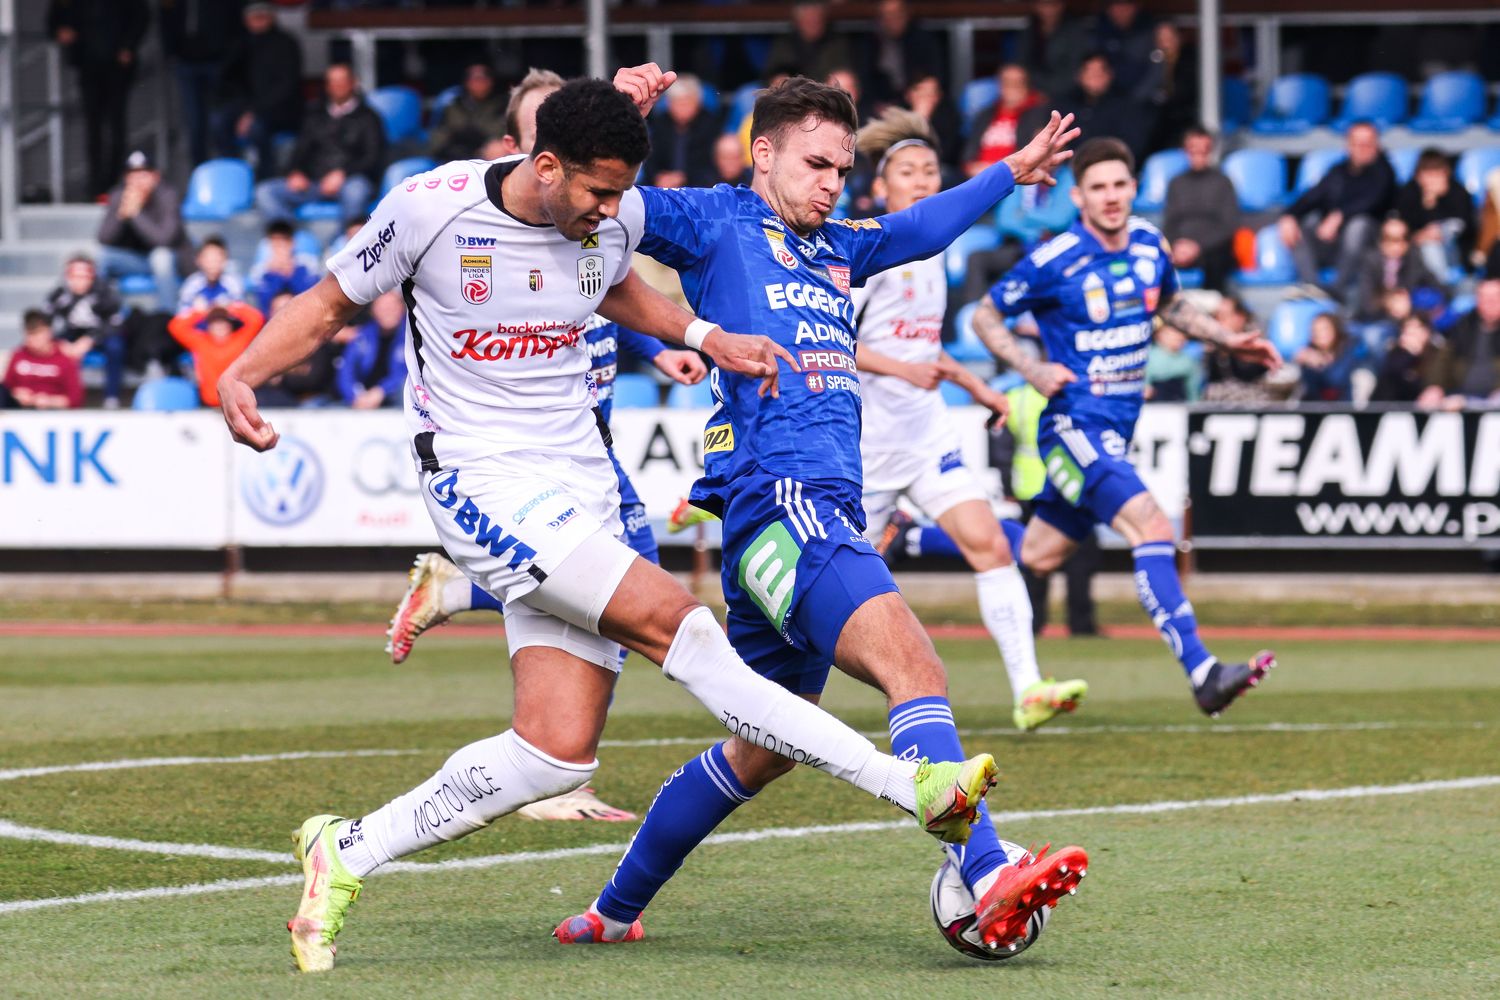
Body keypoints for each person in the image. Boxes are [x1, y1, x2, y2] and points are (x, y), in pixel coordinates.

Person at [215, 77, 1000, 973]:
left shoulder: (609, 216)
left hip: (583, 481)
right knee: (687, 630)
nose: (610, 211)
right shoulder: (430, 208)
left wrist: (704, 336)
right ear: (542, 167)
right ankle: (914, 787)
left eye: (623, 193)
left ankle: (343, 849)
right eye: (593, 192)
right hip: (482, 477)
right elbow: (328, 305)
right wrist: (242, 372)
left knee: (555, 752)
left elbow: (622, 289)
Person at [554, 72, 1087, 953]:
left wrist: (1009, 173)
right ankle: (987, 870)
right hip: (783, 502)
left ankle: (611, 910)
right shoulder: (717, 218)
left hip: (791, 517)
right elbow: (603, 201)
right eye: (815, 164)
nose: (832, 182)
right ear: (762, 155)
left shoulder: (838, 243)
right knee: (914, 667)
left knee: (758, 751)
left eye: (841, 167)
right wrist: (619, 112)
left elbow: (918, 229)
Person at [971, 137, 1281, 717]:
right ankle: (1203, 672)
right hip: (1073, 426)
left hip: (1115, 427)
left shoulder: (1147, 243)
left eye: (1120, 185)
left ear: (1134, 187)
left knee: (1036, 554)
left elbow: (1171, 305)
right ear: (1079, 196)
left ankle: (921, 529)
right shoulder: (1054, 259)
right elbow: (985, 313)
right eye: (1098, 188)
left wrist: (1227, 336)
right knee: (1150, 522)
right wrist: (1032, 367)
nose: (1111, 197)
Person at [851, 107, 1088, 731]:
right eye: (908, 171)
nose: (924, 180)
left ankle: (1029, 687)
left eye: (931, 169)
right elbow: (831, 341)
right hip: (868, 444)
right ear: (882, 186)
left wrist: (978, 387)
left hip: (926, 432)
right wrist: (901, 372)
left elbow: (923, 346)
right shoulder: (866, 246)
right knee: (839, 583)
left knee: (989, 545)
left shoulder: (934, 256)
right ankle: (782, 700)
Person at [1278, 121, 1397, 301]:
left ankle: (1337, 289)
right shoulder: (1338, 172)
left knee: (1358, 225)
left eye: (1368, 144)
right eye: (1357, 143)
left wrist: (1340, 216)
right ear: (1348, 145)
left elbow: (1372, 201)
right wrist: (1289, 216)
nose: (1362, 149)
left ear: (1377, 145)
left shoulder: (1384, 172)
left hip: (1368, 248)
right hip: (1334, 243)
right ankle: (1312, 287)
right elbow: (1311, 197)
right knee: (1302, 226)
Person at [254, 63, 385, 226]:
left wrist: (343, 173)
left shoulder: (369, 118)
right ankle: (288, 244)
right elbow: (300, 150)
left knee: (356, 190)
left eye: (342, 80)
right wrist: (295, 172)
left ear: (353, 83)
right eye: (332, 81)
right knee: (266, 191)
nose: (337, 86)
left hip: (351, 180)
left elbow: (373, 157)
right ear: (327, 86)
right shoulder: (314, 115)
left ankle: (349, 245)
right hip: (314, 183)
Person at [46, 0, 148, 198]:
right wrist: (62, 32)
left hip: (117, 67)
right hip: (88, 65)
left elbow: (141, 16)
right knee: (93, 128)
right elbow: (54, 20)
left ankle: (115, 182)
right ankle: (95, 186)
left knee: (116, 126)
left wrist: (128, 46)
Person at [95, 150, 192, 314]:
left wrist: (136, 214)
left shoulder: (168, 196)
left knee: (161, 257)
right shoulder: (119, 196)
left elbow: (164, 240)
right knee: (102, 257)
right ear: (126, 178)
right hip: (134, 261)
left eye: (143, 174)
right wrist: (121, 216)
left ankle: (166, 318)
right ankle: (101, 316)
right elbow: (104, 238)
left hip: (170, 261)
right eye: (133, 175)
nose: (138, 180)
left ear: (155, 176)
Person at [212, 2, 304, 174]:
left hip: (280, 109)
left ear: (271, 17)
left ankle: (265, 174)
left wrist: (253, 112)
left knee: (256, 128)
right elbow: (229, 80)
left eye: (262, 16)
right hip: (247, 106)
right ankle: (234, 171)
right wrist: (244, 110)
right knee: (218, 121)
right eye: (252, 17)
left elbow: (286, 87)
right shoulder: (242, 43)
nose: (257, 21)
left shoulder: (286, 44)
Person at [160, 0, 246, 166]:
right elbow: (166, 19)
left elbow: (236, 24)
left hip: (218, 64)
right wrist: (170, 52)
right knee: (194, 124)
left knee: (219, 122)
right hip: (186, 63)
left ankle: (228, 171)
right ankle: (199, 172)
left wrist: (229, 59)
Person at [1020, 52, 1147, 164]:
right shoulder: (1064, 104)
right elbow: (1050, 140)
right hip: (1067, 171)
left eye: (1100, 71)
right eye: (1089, 71)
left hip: (1110, 167)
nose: (1095, 76)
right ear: (1079, 76)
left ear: (1110, 75)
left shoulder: (1126, 106)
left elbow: (1132, 148)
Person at [44, 255, 127, 408]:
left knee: (115, 347)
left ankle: (112, 396)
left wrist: (90, 340)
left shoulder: (106, 292)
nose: (79, 281)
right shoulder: (60, 294)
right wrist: (60, 343)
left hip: (101, 334)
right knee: (50, 347)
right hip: (73, 333)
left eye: (84, 276)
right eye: (74, 276)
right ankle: (58, 395)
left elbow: (115, 323)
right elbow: (45, 322)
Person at [1162, 126, 1238, 292]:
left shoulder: (1223, 182)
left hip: (1211, 250)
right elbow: (1170, 223)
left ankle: (1213, 307)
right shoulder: (1176, 183)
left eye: (1203, 150)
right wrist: (1177, 246)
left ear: (1210, 151)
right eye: (1193, 150)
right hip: (1180, 247)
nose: (1198, 155)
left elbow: (1228, 226)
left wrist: (1197, 246)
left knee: (1219, 258)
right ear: (1185, 151)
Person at [1419, 277, 1500, 409]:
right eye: (1484, 298)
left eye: (1494, 298)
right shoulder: (1464, 327)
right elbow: (1444, 359)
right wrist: (1435, 386)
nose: (1489, 303)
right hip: (1460, 396)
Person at [1394, 149, 1474, 283]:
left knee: (1436, 240)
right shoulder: (1408, 193)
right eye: (1428, 174)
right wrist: (1428, 204)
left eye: (1437, 173)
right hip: (1415, 249)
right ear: (1418, 176)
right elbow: (1404, 226)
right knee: (1429, 245)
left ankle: (1441, 288)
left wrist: (1437, 229)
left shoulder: (1458, 193)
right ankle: (1439, 287)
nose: (1432, 179)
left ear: (1446, 173)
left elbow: (1466, 228)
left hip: (1454, 252)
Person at [169, 301, 264, 406]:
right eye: (215, 322)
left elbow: (256, 319)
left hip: (237, 403)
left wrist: (231, 308)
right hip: (209, 403)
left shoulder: (240, 339)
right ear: (209, 326)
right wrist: (202, 312)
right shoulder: (200, 341)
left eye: (223, 321)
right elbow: (175, 326)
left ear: (229, 324)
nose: (219, 326)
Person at [1353, 217, 1444, 324]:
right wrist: (1389, 302)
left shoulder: (1414, 258)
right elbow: (1366, 300)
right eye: (1391, 239)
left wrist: (1409, 303)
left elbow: (1438, 286)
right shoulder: (1371, 261)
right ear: (1381, 241)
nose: (1397, 245)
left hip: (1410, 317)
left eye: (1403, 239)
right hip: (1379, 318)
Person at [961, 65, 1042, 179]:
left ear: (1027, 86)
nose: (1012, 88)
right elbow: (969, 153)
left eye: (1017, 83)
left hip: (1015, 176)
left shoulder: (1038, 113)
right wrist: (971, 167)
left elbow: (1031, 155)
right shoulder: (985, 115)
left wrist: (995, 169)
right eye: (1007, 82)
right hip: (979, 176)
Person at [642, 74, 722, 189]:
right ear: (669, 104)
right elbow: (650, 158)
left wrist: (682, 178)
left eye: (687, 103)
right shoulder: (660, 123)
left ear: (697, 102)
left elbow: (709, 164)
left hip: (699, 187)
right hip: (660, 185)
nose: (683, 109)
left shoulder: (710, 124)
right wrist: (658, 176)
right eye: (678, 103)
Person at [862, 0, 942, 109]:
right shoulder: (870, 43)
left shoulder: (923, 41)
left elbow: (933, 80)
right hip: (878, 106)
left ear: (906, 13)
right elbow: (864, 83)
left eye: (896, 14)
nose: (892, 19)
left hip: (915, 102)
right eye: (886, 15)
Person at [335, 289, 407, 409]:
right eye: (383, 308)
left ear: (402, 309)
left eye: (392, 307)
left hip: (398, 401)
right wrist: (355, 396)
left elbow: (407, 373)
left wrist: (381, 391)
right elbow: (346, 371)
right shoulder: (363, 336)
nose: (388, 312)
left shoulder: (411, 337)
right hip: (362, 400)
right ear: (373, 310)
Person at [3, 310, 84, 410]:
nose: (31, 338)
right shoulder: (19, 355)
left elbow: (75, 399)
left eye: (36, 333)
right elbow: (7, 386)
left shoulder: (64, 357)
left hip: (54, 414)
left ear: (48, 332)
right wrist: (16, 394)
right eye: (29, 333)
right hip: (20, 410)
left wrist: (49, 401)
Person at [429, 63, 507, 162]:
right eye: (475, 79)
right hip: (454, 157)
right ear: (467, 82)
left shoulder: (502, 105)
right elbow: (438, 137)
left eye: (483, 79)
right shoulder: (453, 105)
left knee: (497, 149)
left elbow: (504, 136)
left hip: (487, 157)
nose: (479, 83)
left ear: (491, 82)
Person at [1015, 0, 1090, 103]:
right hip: (1033, 93)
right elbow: (1022, 65)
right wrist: (1035, 91)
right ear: (1036, 6)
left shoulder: (1075, 31)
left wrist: (1050, 93)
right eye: (1043, 4)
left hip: (1068, 94)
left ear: (1061, 5)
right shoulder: (1029, 31)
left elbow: (1076, 69)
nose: (1048, 10)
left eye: (1052, 4)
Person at [764, 1, 854, 83]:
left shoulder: (836, 41)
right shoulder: (785, 43)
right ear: (798, 22)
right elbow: (774, 72)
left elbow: (842, 70)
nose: (812, 22)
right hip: (794, 94)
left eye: (816, 20)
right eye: (808, 20)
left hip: (826, 94)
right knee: (780, 80)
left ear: (823, 19)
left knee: (842, 80)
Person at [251, 221, 319, 307]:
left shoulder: (307, 264)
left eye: (284, 240)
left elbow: (312, 295)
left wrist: (290, 272)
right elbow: (263, 303)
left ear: (292, 243)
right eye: (274, 240)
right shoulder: (261, 270)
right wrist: (274, 274)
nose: (279, 245)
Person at [1373, 314, 1437, 403]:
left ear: (1426, 332)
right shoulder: (1395, 354)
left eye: (1415, 329)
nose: (1410, 334)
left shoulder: (1437, 355)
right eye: (1406, 330)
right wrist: (1409, 354)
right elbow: (1393, 379)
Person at [1295, 312, 1358, 402]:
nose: (1319, 334)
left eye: (1324, 329)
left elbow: (1335, 380)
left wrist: (1321, 364)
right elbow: (1310, 391)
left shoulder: (1348, 350)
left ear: (1335, 330)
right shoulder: (1307, 355)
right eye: (1315, 330)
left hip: (1343, 407)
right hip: (1315, 409)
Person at [177, 237, 246, 313]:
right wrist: (196, 313)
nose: (212, 265)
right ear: (198, 260)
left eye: (216, 260)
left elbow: (242, 314)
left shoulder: (233, 284)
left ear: (225, 260)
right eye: (208, 260)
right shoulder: (191, 285)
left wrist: (227, 308)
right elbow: (181, 317)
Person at [1144, 321, 1202, 401]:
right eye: (1174, 333)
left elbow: (1193, 390)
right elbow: (1145, 387)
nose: (1179, 337)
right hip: (1155, 406)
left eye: (1182, 333)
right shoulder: (1148, 356)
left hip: (1180, 405)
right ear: (1160, 335)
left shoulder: (1188, 360)